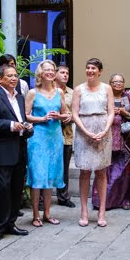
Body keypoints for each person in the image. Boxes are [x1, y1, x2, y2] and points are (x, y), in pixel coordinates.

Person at [0, 64, 32, 245]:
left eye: (15, 75)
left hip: (19, 149)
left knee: (16, 189)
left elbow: (22, 121)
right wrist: (10, 125)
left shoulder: (20, 98)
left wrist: (27, 128)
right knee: (2, 189)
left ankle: (11, 223)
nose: (13, 78)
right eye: (9, 76)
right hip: (1, 151)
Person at [72, 58, 114, 227]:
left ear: (100, 71)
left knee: (102, 172)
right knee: (84, 172)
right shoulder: (78, 89)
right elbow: (74, 113)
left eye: (93, 68)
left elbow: (111, 111)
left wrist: (105, 130)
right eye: (88, 68)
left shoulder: (107, 88)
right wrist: (86, 131)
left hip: (103, 131)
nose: (90, 71)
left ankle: (102, 212)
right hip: (84, 131)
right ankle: (83, 211)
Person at [25, 60, 68, 227]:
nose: (50, 72)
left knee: (50, 176)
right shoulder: (32, 93)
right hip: (38, 139)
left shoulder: (60, 92)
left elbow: (66, 114)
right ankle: (35, 215)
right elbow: (26, 115)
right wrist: (42, 118)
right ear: (40, 74)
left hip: (55, 138)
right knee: (38, 176)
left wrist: (60, 116)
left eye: (52, 70)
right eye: (47, 70)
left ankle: (47, 213)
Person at [93, 73, 130, 211]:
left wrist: (124, 112)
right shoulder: (104, 95)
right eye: (115, 81)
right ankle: (102, 201)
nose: (118, 84)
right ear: (110, 83)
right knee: (105, 168)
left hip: (126, 139)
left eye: (120, 81)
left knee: (123, 171)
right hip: (107, 136)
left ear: (124, 83)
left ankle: (124, 200)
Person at [55, 64, 76, 208]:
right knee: (49, 166)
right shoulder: (48, 91)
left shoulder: (73, 93)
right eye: (62, 72)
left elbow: (77, 113)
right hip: (51, 133)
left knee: (64, 167)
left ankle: (63, 196)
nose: (65, 75)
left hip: (67, 135)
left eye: (67, 73)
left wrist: (71, 117)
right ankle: (43, 198)